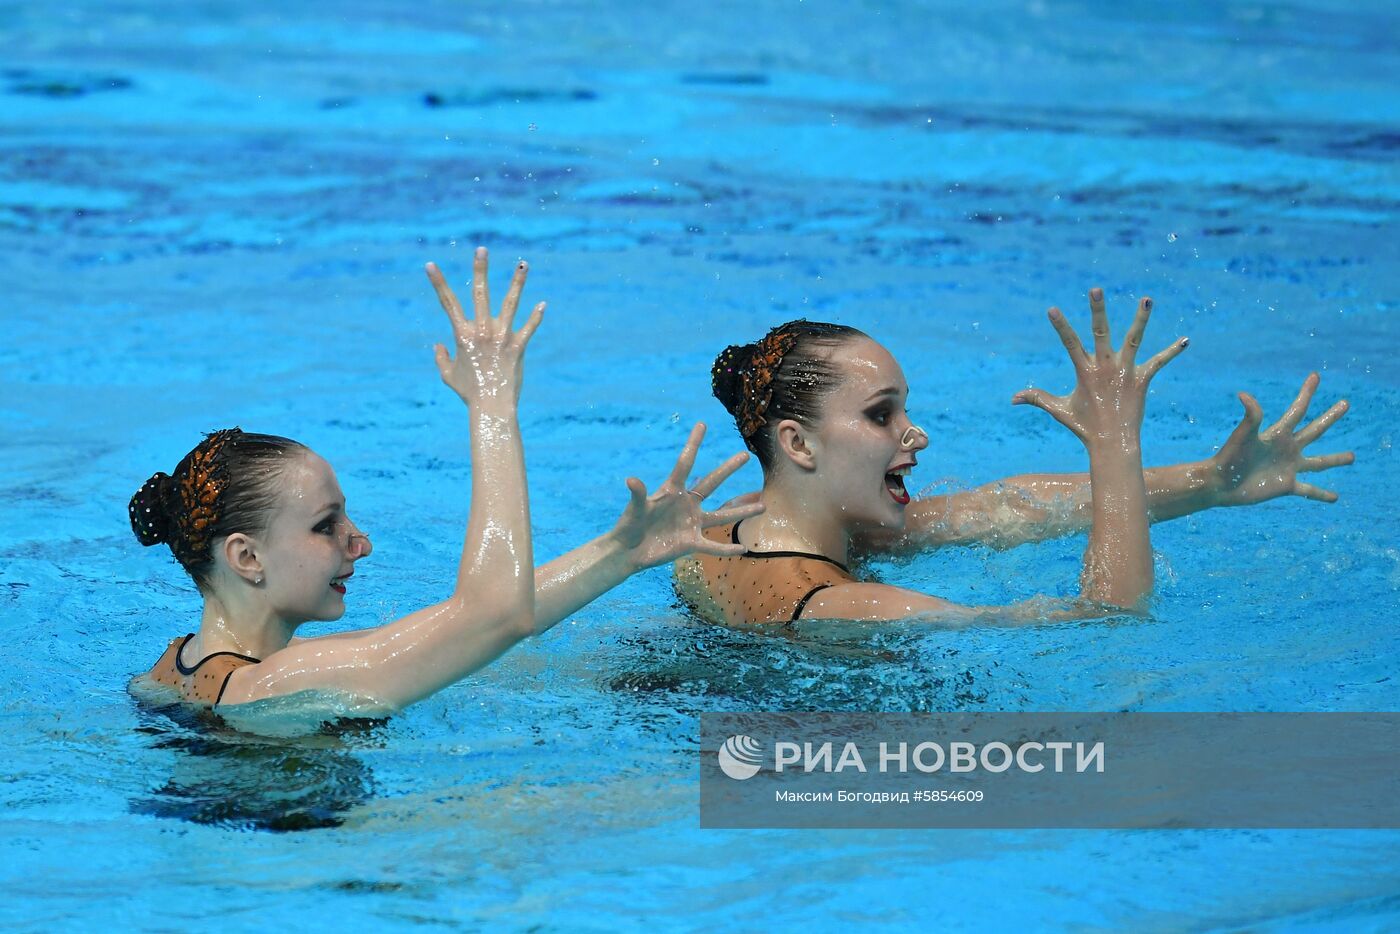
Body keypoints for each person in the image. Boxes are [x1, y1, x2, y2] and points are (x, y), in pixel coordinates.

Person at [130, 248, 761, 716]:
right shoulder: (281, 682)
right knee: (689, 789)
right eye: (326, 526)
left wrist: (622, 554)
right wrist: (491, 405)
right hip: (333, 869)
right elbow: (494, 615)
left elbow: (476, 621)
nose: (361, 542)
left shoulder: (173, 669)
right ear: (246, 556)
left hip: (288, 855)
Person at [675, 289, 1352, 626]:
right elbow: (1108, 620)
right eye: (882, 414)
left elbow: (1004, 508)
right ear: (796, 443)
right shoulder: (846, 605)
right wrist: (1114, 443)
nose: (917, 435)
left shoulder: (705, 538)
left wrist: (1211, 480)